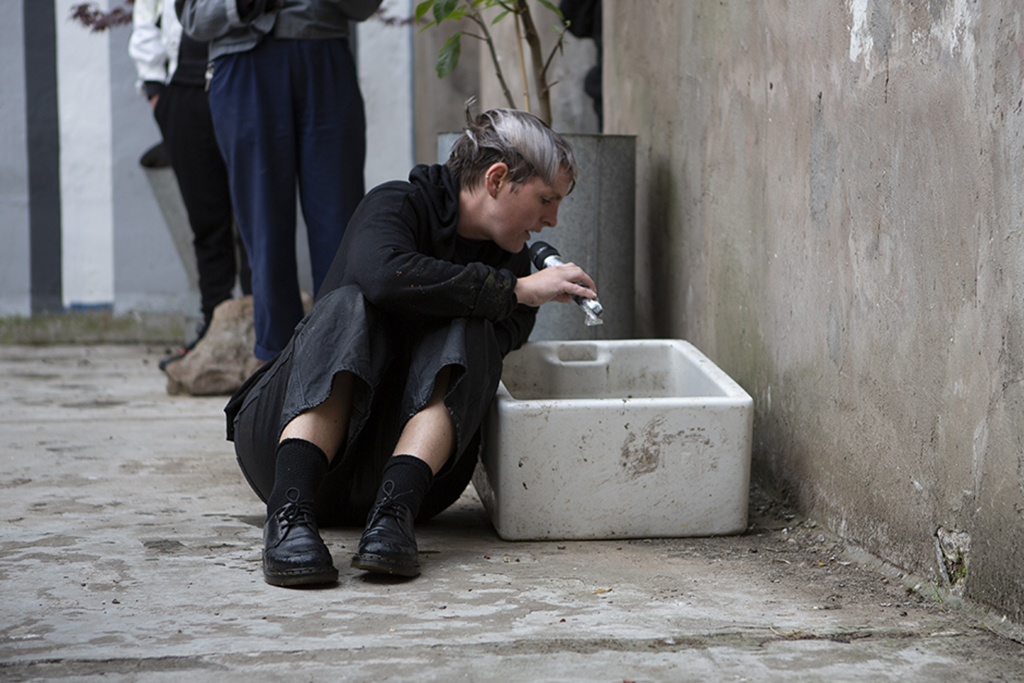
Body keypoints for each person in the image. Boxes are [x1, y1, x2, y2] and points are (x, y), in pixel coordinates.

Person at [224, 108, 598, 586]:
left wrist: (507, 293)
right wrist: (514, 291)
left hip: (410, 483)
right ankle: (290, 515)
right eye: (546, 199)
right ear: (497, 178)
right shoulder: (396, 205)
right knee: (351, 306)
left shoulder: (518, 267)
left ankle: (390, 519)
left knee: (474, 328)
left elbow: (489, 350)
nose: (553, 219)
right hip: (282, 450)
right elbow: (383, 276)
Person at [175, 0, 382, 363]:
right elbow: (193, 16)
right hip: (243, 64)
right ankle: (276, 372)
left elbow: (365, 5)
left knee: (340, 229)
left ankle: (343, 366)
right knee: (264, 235)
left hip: (325, 57)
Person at [129, 0, 251, 369]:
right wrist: (155, 92)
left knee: (254, 216)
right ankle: (213, 328)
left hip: (242, 77)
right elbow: (146, 17)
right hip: (182, 92)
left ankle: (262, 329)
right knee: (205, 221)